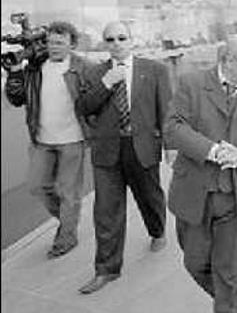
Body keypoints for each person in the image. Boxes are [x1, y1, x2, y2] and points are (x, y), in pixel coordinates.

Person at [165, 34, 237, 313]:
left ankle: (230, 304)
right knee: (195, 263)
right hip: (194, 194)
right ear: (227, 61)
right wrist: (212, 150)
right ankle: (228, 300)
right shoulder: (192, 84)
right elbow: (173, 127)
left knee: (232, 274)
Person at [76, 21, 172, 294]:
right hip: (107, 151)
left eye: (121, 38)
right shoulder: (95, 73)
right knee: (106, 212)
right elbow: (83, 107)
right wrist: (106, 85)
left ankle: (157, 231)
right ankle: (106, 270)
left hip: (142, 147)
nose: (116, 43)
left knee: (150, 197)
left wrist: (171, 146)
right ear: (105, 44)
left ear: (131, 40)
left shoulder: (155, 70)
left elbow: (166, 109)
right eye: (110, 39)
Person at [4, 20, 91, 259]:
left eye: (59, 42)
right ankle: (67, 221)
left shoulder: (83, 67)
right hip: (42, 140)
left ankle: (66, 238)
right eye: (50, 42)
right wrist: (13, 74)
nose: (53, 47)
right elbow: (17, 99)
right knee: (37, 186)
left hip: (73, 140)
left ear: (71, 44)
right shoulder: (34, 68)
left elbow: (97, 99)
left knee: (67, 192)